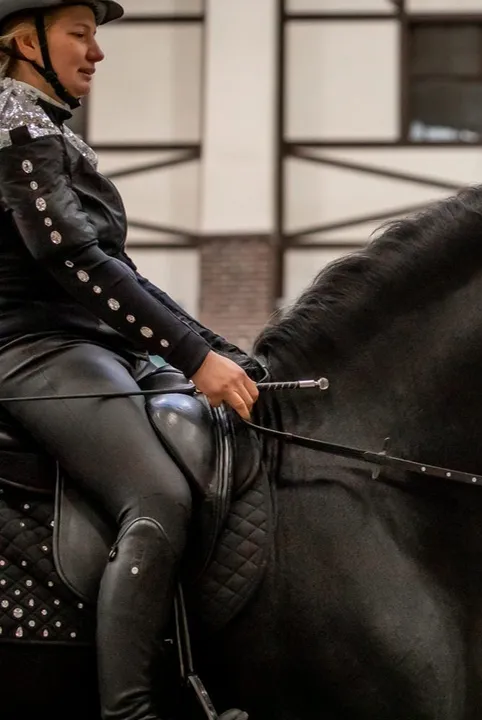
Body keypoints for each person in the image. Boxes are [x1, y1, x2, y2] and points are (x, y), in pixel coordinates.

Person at [0, 2, 261, 718]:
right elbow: (73, 259)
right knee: (156, 498)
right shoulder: (14, 124)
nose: (96, 52)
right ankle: (131, 710)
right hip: (32, 350)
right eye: (79, 34)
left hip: (99, 346)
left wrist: (217, 352)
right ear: (25, 41)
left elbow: (123, 272)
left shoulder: (49, 128)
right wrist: (192, 355)